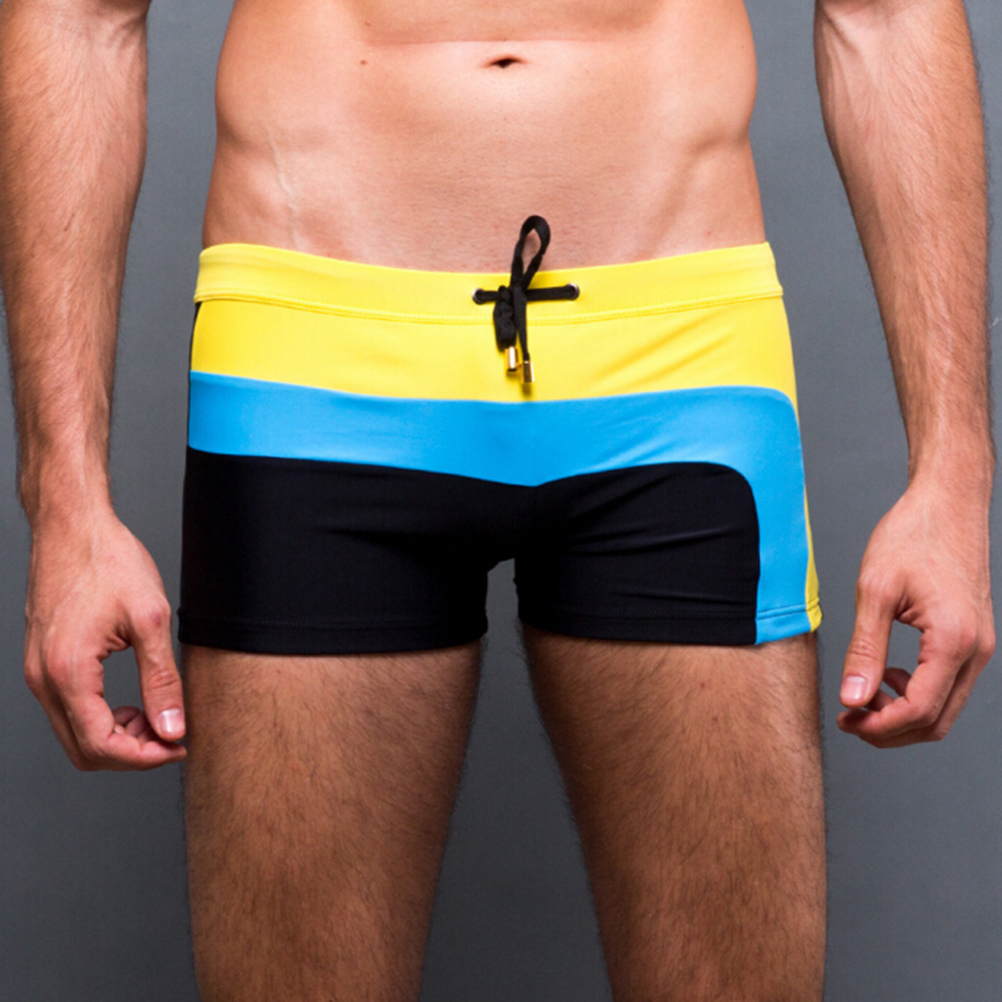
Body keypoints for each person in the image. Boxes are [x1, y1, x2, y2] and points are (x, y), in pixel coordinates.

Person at [0, 0, 994, 999]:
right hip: (312, 362)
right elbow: (77, 17)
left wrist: (953, 471)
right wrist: (65, 500)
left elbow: (888, 13)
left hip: (682, 363)